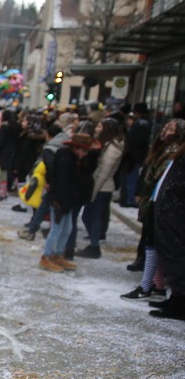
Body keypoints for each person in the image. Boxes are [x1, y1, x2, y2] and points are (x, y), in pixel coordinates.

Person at [122, 119, 183, 298]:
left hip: (166, 206)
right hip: (155, 201)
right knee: (152, 244)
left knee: (156, 245)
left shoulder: (175, 151)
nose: (165, 130)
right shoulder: (163, 148)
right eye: (165, 127)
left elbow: (163, 177)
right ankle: (155, 284)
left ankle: (152, 285)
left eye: (171, 128)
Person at [40, 131, 100, 272]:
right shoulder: (66, 160)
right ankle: (46, 257)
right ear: (76, 148)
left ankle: (58, 254)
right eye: (84, 151)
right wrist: (61, 202)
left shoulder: (74, 159)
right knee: (56, 228)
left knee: (67, 229)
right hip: (60, 200)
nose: (85, 154)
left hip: (68, 200)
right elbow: (61, 182)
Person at [76, 118, 125, 259]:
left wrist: (93, 192)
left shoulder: (113, 149)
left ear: (107, 129)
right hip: (100, 187)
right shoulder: (106, 145)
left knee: (93, 217)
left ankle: (95, 246)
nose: (96, 128)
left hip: (102, 188)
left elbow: (103, 173)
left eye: (99, 126)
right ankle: (94, 243)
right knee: (89, 216)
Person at [150, 140, 185, 319]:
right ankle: (176, 298)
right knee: (170, 255)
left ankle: (180, 302)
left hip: (177, 214)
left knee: (177, 257)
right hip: (170, 212)